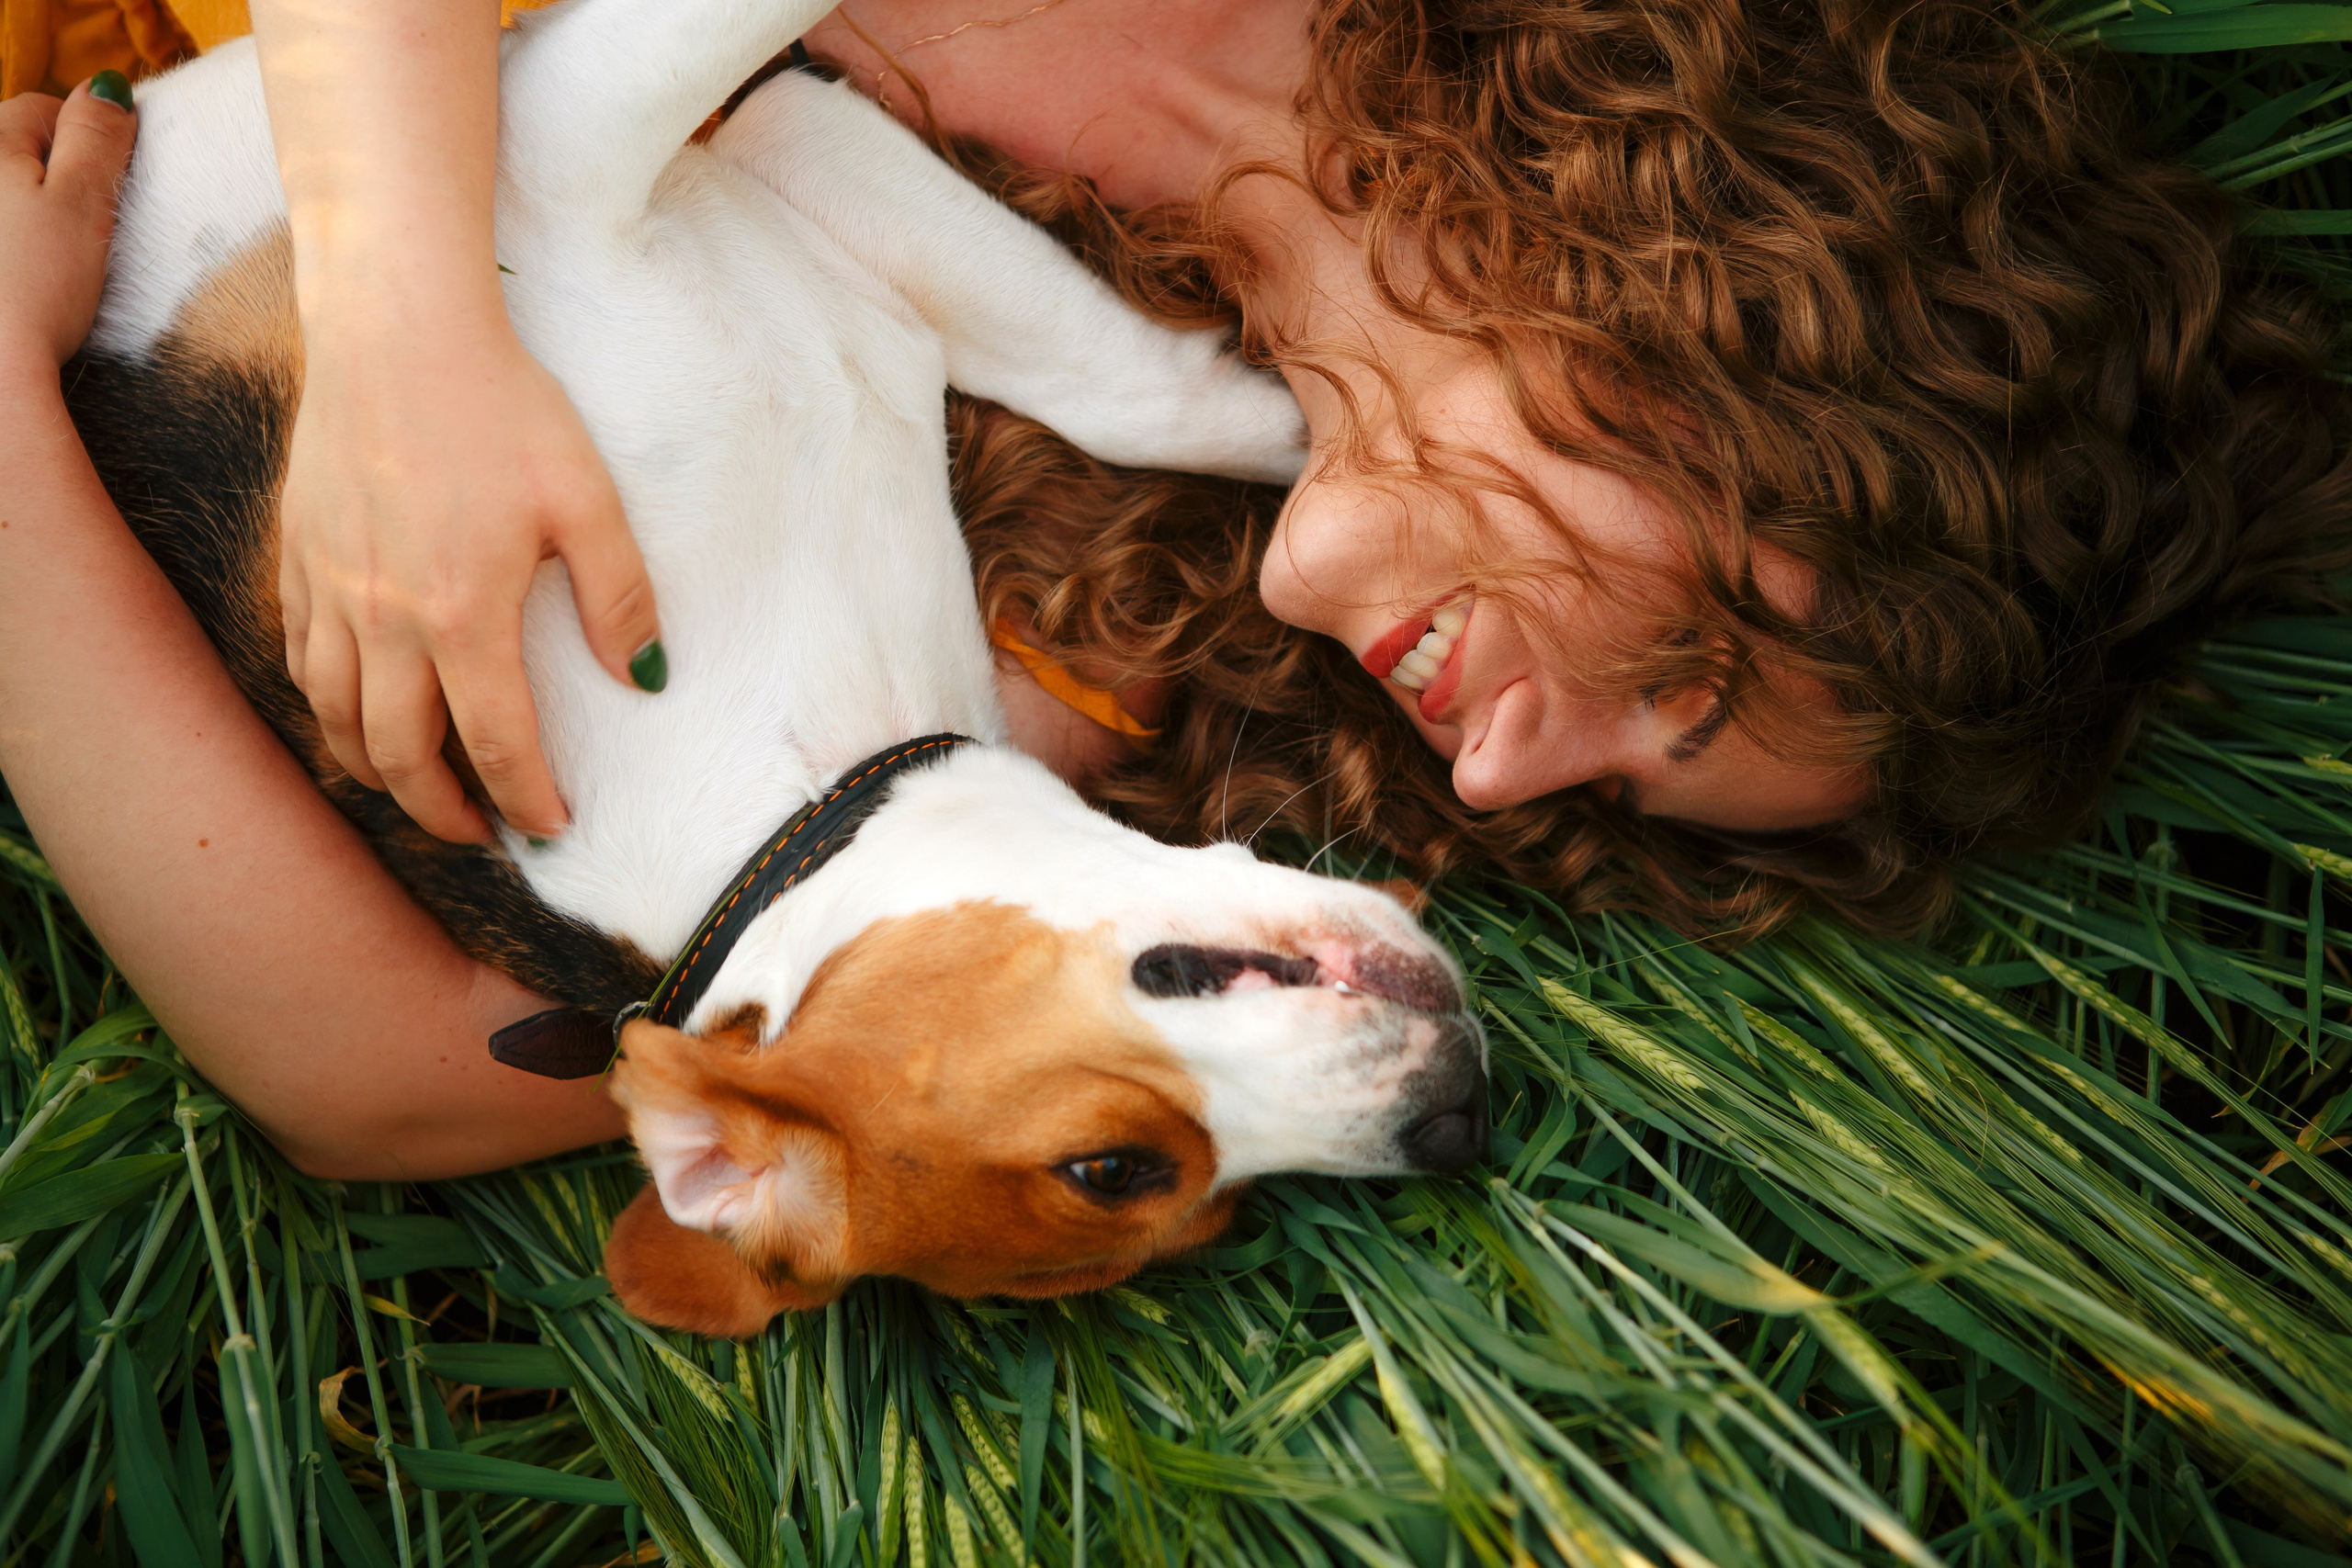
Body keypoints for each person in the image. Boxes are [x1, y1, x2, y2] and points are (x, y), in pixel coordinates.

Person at [3, 0, 2345, 1178]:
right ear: (1759, 361)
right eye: (1688, 662)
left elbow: (384, 1083)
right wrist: (409, 328)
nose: (1501, 753)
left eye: (1621, 782)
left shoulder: (1121, 635)